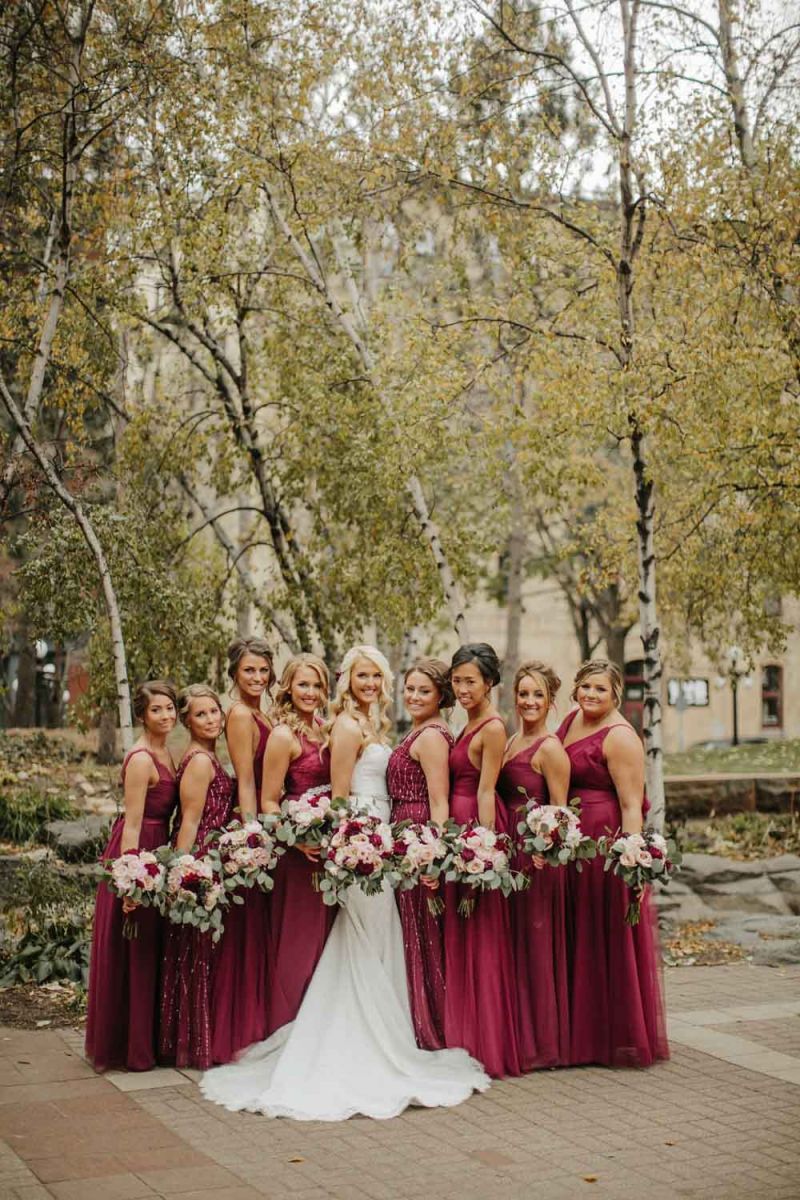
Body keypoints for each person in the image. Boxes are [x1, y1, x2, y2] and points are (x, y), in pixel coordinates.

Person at [200, 645, 489, 1120]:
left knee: (373, 935)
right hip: (359, 839)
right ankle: (366, 1040)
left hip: (379, 837)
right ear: (347, 679)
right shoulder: (349, 725)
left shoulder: (371, 724)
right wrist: (343, 839)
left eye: (377, 676)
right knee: (367, 931)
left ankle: (387, 1030)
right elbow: (338, 797)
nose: (371, 684)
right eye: (362, 676)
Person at [557, 659, 668, 1067]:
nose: (590, 694)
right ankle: (578, 1033)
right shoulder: (569, 722)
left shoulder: (622, 737)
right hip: (571, 843)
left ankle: (613, 1036)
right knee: (577, 932)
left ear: (615, 693)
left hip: (605, 845)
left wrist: (632, 860)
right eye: (585, 686)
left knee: (605, 936)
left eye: (600, 689)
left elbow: (630, 805)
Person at [85, 681, 178, 1072]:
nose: (167, 716)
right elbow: (133, 825)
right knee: (135, 952)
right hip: (137, 854)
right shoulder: (142, 759)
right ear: (142, 715)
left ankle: (148, 1042)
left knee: (150, 951)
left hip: (158, 853)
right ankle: (129, 1048)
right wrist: (130, 881)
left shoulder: (167, 752)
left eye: (171, 708)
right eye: (157, 710)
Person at [444, 643, 522, 1079]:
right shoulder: (467, 721)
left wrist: (486, 848)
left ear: (489, 682)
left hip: (475, 825)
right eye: (457, 681)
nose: (462, 688)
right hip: (458, 827)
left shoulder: (491, 727)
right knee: (464, 932)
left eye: (470, 681)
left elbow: (488, 789)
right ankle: (464, 1032)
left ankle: (485, 1040)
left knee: (481, 935)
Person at [498, 661, 571, 1069]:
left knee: (537, 944)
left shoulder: (550, 749)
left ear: (550, 702)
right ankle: (517, 1033)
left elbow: (560, 811)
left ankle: (542, 1044)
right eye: (523, 693)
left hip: (536, 858)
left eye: (537, 695)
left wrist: (547, 847)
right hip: (508, 852)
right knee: (514, 943)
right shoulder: (511, 741)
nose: (529, 701)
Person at [159, 685, 235, 1070]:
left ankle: (191, 1035)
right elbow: (189, 821)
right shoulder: (200, 761)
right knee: (197, 950)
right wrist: (184, 870)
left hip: (212, 855)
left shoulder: (206, 755)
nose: (212, 720)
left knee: (201, 951)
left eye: (215, 712)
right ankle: (193, 1039)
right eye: (202, 714)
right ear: (187, 721)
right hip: (200, 856)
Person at [260, 653, 335, 1035]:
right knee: (297, 944)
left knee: (325, 943)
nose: (310, 692)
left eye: (317, 685)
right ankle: (286, 1027)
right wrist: (297, 838)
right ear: (288, 687)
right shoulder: (282, 736)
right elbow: (269, 801)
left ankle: (317, 1029)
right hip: (297, 855)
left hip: (329, 854)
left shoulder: (327, 729)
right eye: (303, 684)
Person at [211, 638, 274, 1062]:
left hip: (268, 817)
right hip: (249, 819)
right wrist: (252, 834)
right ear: (234, 673)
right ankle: (236, 1026)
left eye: (263, 671)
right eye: (249, 670)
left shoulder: (262, 712)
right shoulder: (238, 714)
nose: (256, 678)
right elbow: (245, 779)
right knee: (245, 927)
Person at [387, 658, 453, 1050]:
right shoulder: (418, 730)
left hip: (418, 836)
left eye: (423, 690)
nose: (413, 696)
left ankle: (431, 1027)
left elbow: (439, 801)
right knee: (411, 933)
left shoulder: (431, 736)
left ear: (441, 695)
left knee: (421, 933)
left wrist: (433, 855)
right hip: (403, 833)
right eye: (409, 689)